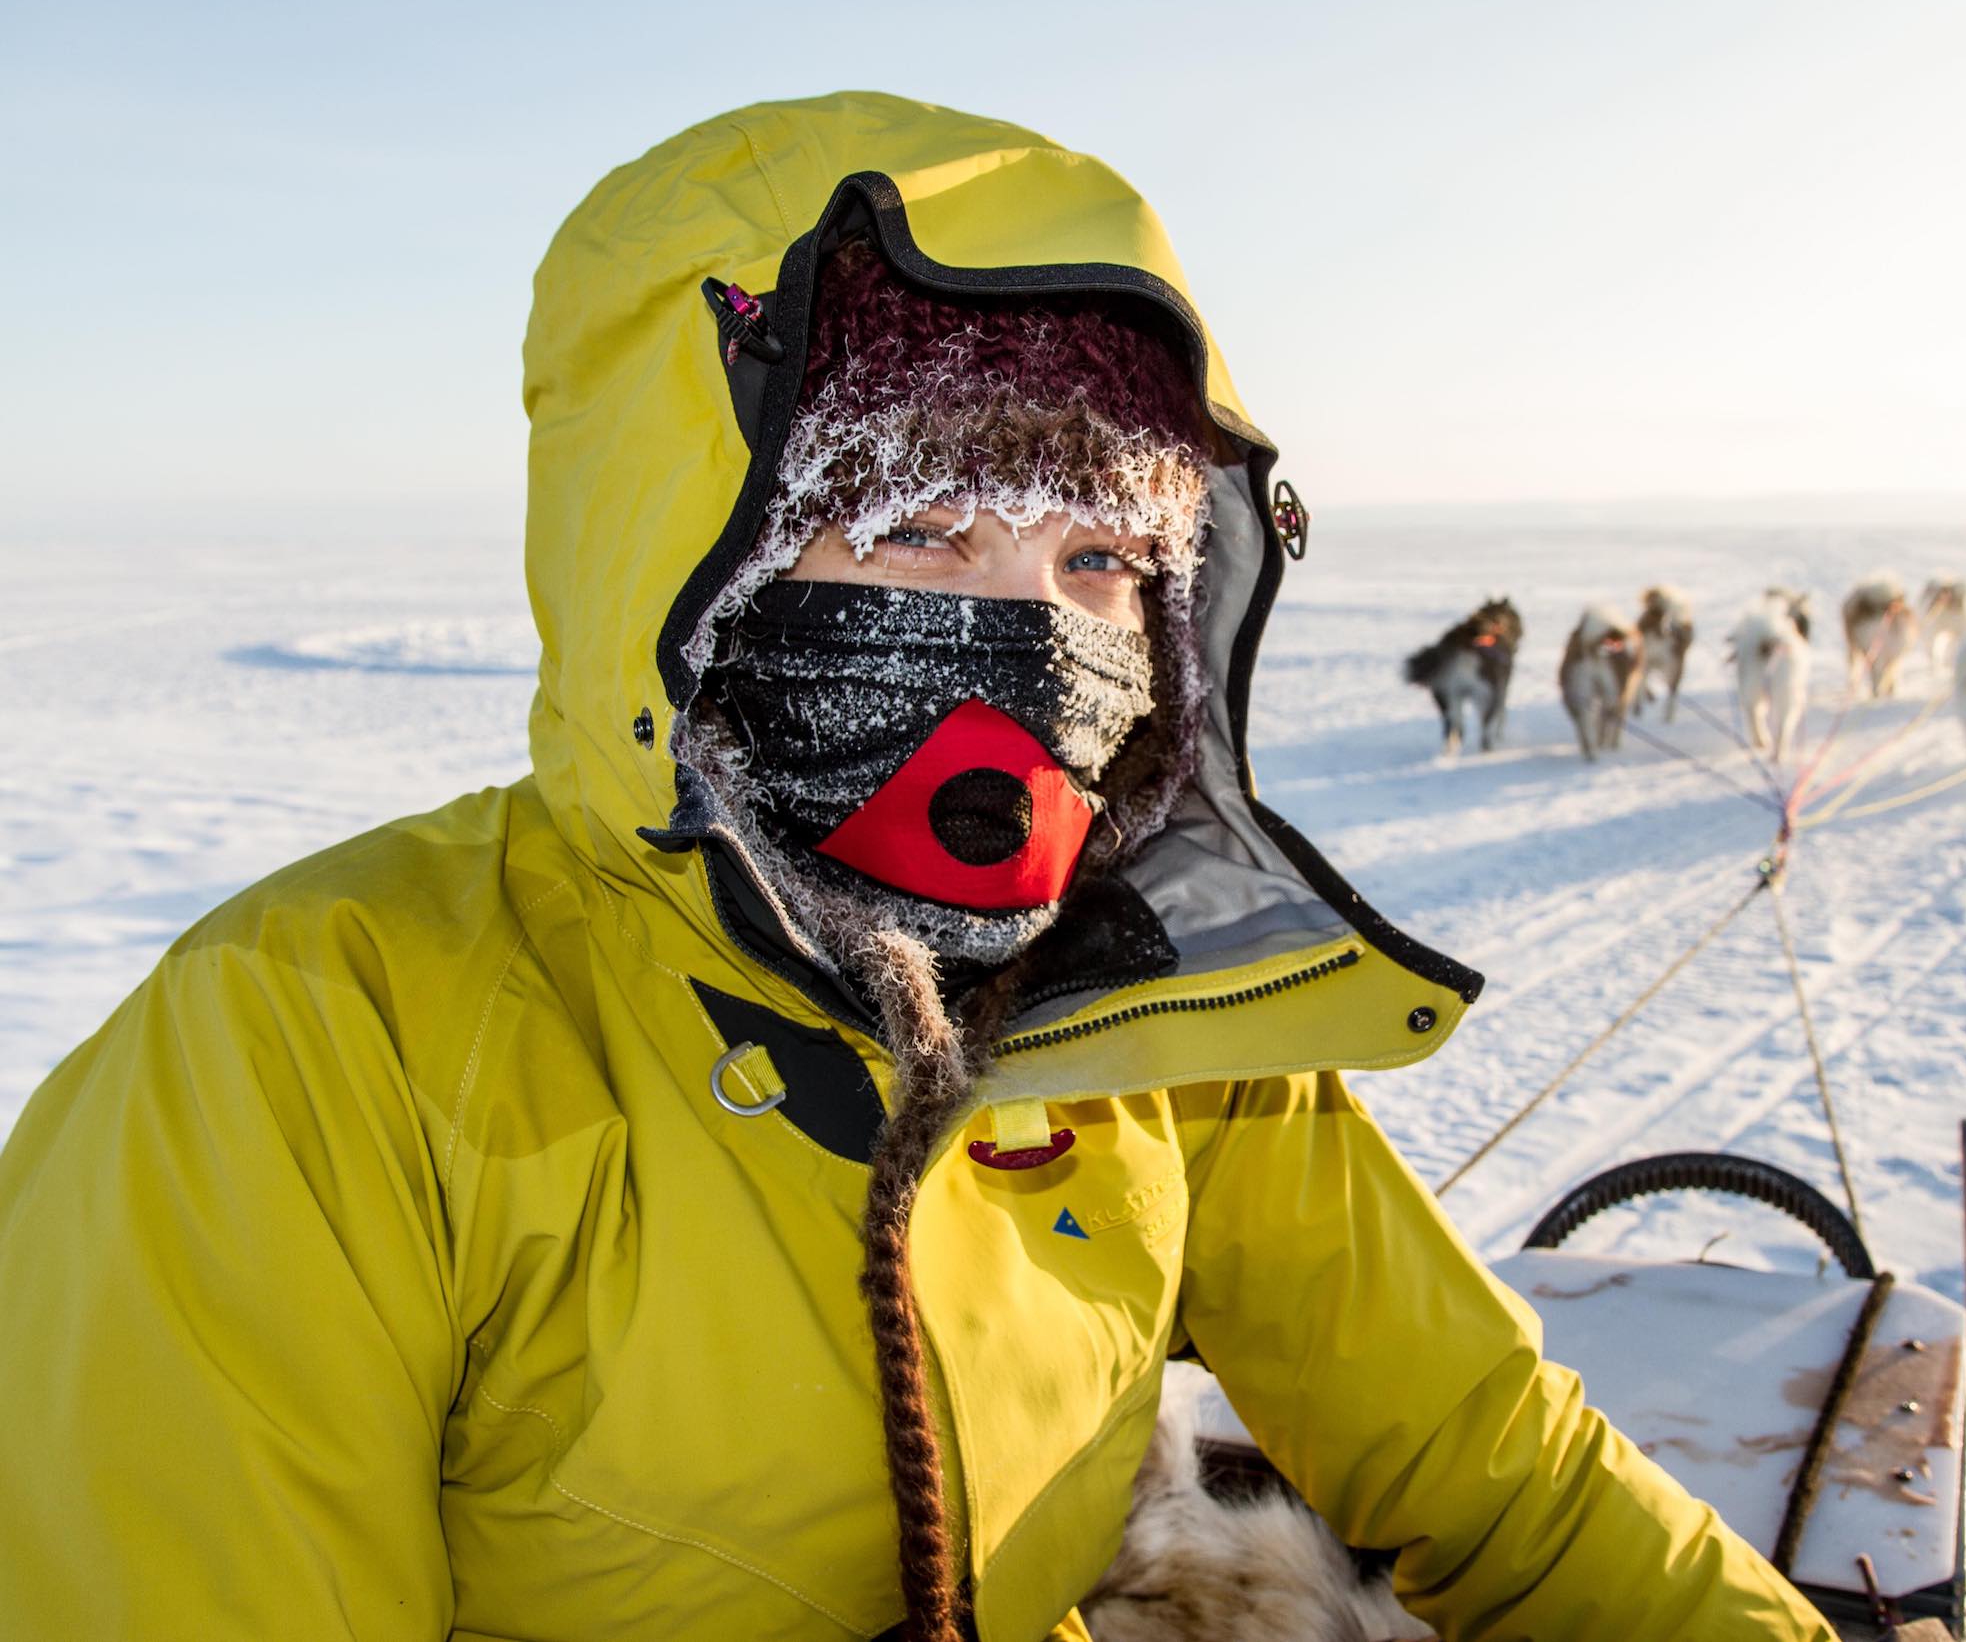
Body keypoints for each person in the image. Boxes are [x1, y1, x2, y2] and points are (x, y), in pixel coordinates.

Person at [0, 92, 1838, 1642]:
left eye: (1103, 564)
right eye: (923, 528)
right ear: (692, 570)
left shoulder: (1150, 1008)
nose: (1033, 647)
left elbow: (1481, 1452)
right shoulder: (310, 1046)